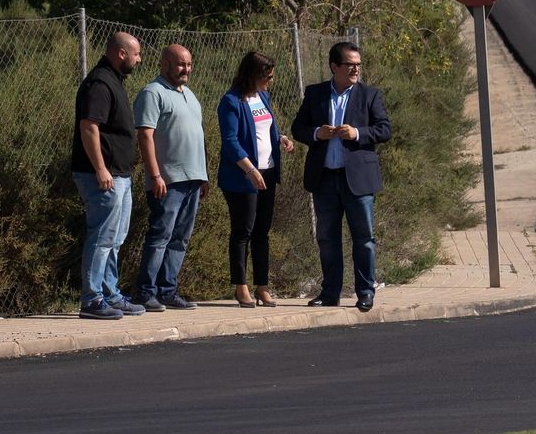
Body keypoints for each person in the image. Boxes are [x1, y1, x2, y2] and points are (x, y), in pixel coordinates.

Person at [291, 41, 391, 312]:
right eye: (350, 64)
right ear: (334, 66)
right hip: (324, 178)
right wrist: (317, 133)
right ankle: (330, 293)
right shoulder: (315, 94)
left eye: (358, 64)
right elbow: (298, 128)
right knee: (327, 238)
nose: (356, 69)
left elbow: (384, 129)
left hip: (358, 180)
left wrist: (357, 133)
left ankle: (365, 292)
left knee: (364, 239)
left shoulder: (370, 95)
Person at [71, 31, 145, 320]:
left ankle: (110, 293)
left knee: (115, 238)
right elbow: (89, 127)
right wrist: (101, 168)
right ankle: (91, 299)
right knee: (102, 236)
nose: (139, 60)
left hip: (120, 174)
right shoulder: (100, 83)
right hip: (102, 175)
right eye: (136, 54)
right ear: (121, 53)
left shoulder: (115, 80)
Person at [217, 51, 296, 308]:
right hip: (243, 177)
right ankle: (241, 287)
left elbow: (265, 128)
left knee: (262, 232)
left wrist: (280, 138)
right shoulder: (231, 101)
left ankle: (262, 286)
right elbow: (231, 142)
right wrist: (251, 171)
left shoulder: (263, 96)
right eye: (267, 76)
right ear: (253, 75)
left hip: (268, 172)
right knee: (243, 231)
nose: (270, 81)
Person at [132, 44, 208, 311]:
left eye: (189, 64)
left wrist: (203, 176)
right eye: (180, 64)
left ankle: (167, 291)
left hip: (193, 179)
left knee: (180, 238)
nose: (186, 69)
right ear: (164, 64)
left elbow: (196, 136)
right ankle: (145, 292)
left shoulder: (190, 95)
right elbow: (145, 135)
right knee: (160, 236)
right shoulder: (152, 93)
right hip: (167, 181)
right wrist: (155, 175)